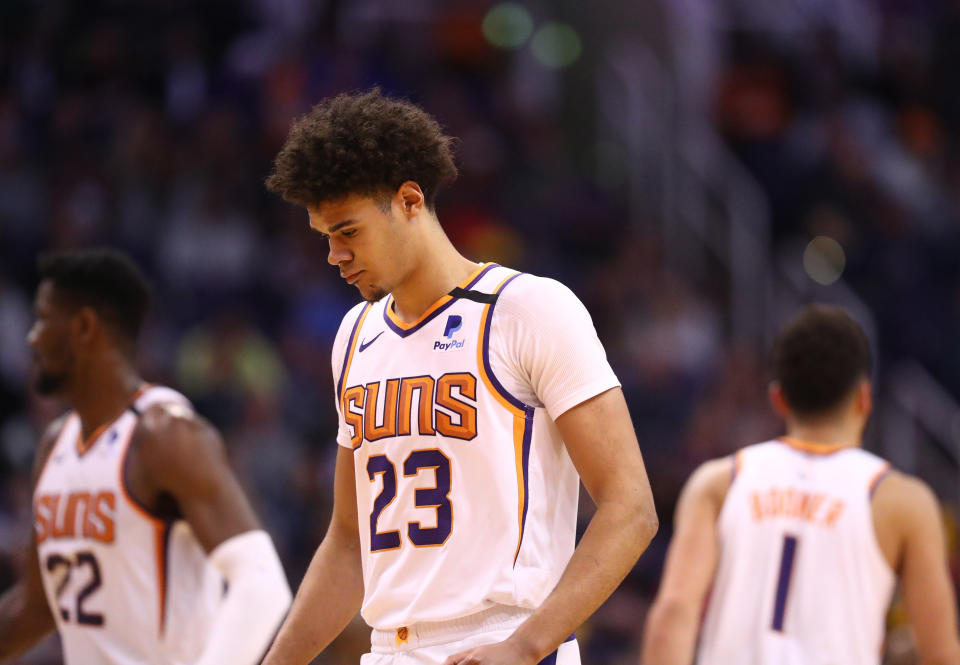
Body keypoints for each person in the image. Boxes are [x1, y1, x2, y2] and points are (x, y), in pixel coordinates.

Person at [260, 88, 659, 665]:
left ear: (409, 200)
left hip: (503, 640)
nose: (334, 256)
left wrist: (525, 647)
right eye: (325, 237)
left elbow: (631, 508)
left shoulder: (528, 308)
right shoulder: (354, 334)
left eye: (348, 231)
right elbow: (349, 543)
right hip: (388, 649)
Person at [0, 248, 292, 665]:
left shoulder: (165, 434)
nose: (32, 337)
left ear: (84, 327)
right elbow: (35, 605)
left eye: (44, 319)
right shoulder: (53, 446)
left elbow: (262, 584)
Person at [641, 304, 960, 665]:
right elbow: (940, 654)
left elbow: (673, 615)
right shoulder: (902, 500)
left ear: (778, 398)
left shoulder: (719, 482)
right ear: (864, 399)